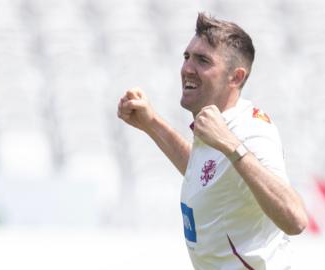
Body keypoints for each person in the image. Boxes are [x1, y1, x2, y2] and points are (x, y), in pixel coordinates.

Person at [117, 13, 308, 270]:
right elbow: (209, 176)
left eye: (203, 60)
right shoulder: (218, 125)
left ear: (236, 77)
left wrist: (232, 145)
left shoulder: (252, 130)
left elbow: (295, 219)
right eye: (187, 57)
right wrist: (151, 124)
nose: (187, 68)